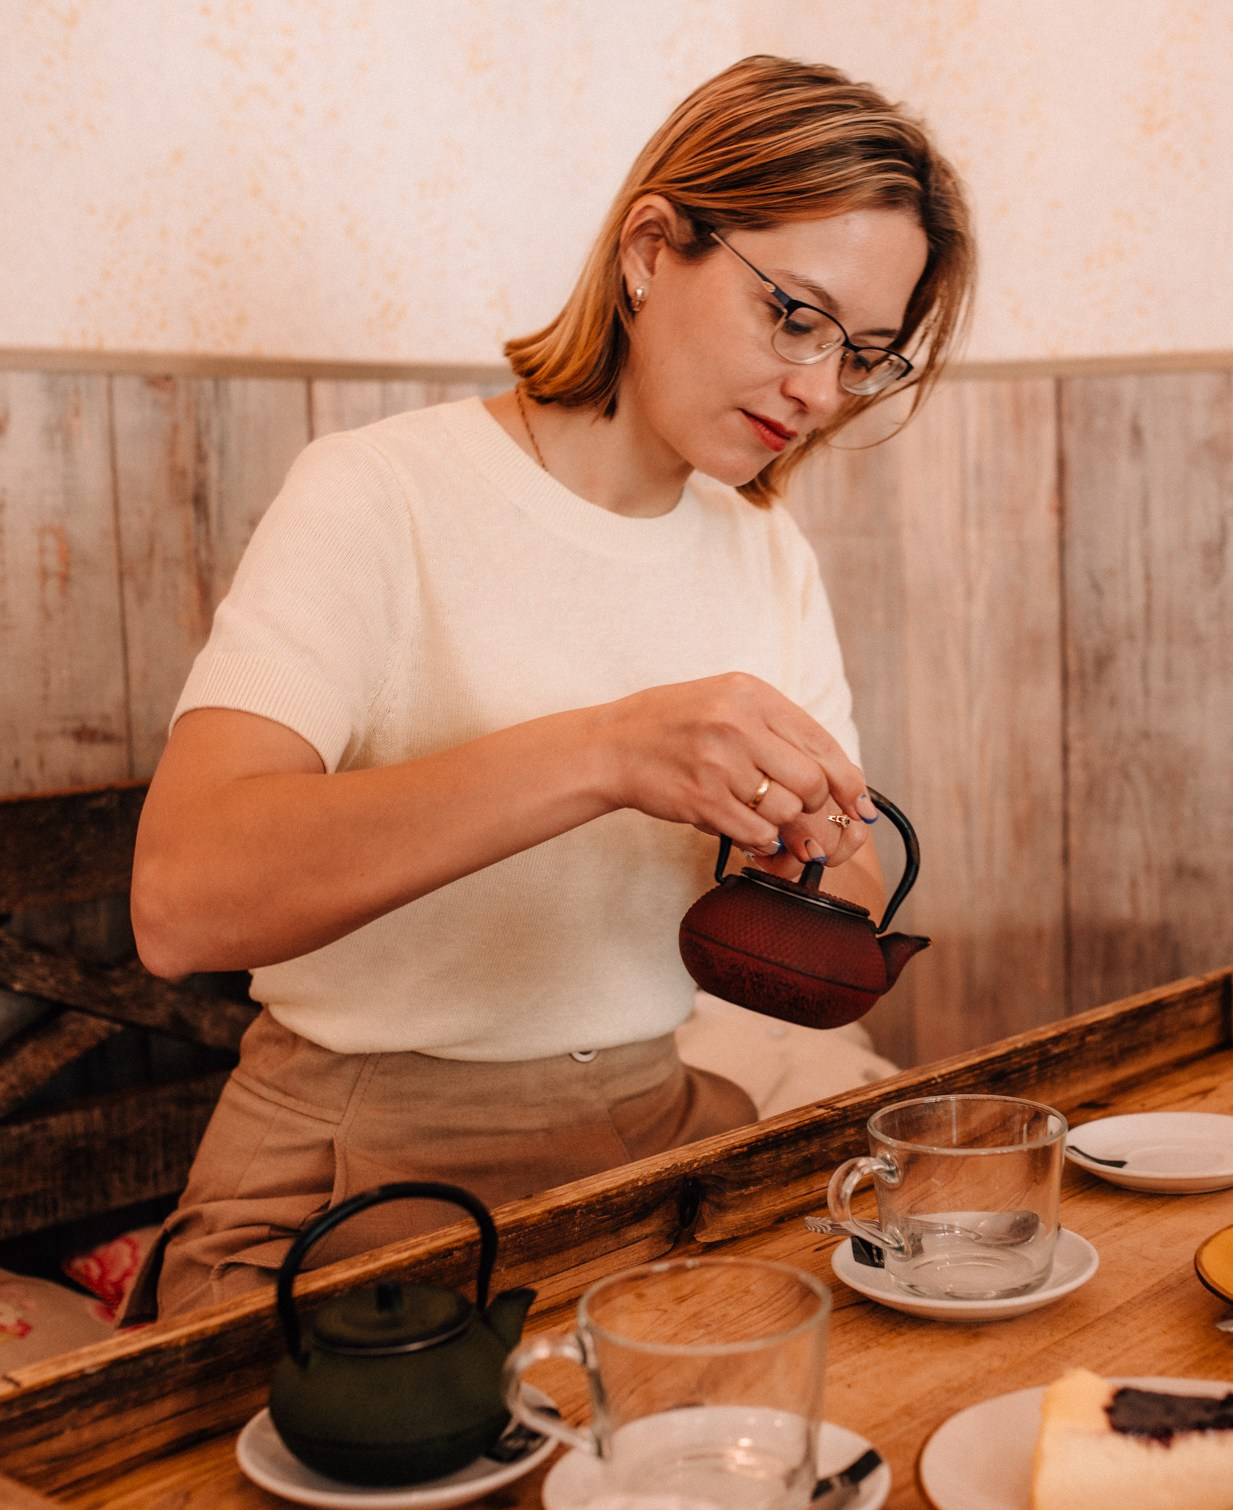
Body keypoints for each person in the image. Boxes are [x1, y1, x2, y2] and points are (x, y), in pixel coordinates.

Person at [124, 56, 974, 1320]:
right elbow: (180, 902)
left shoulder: (762, 551)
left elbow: (845, 890)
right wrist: (605, 753)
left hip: (644, 1131)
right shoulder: (381, 493)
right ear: (650, 249)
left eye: (863, 354)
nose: (817, 388)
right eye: (797, 317)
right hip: (355, 1169)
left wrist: (799, 851)